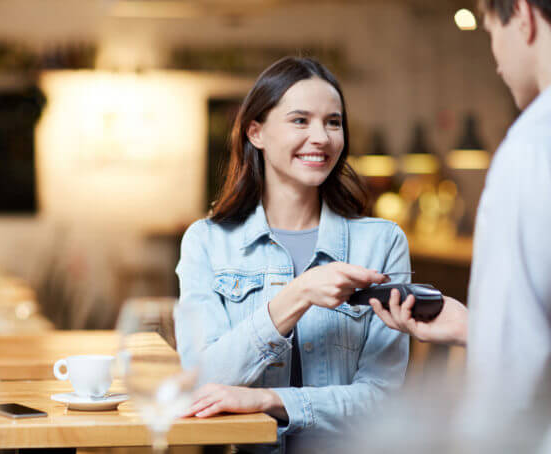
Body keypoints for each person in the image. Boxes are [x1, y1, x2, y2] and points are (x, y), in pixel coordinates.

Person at [174, 57, 410, 454]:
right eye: (300, 121)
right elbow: (200, 381)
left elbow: (381, 400)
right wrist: (296, 295)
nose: (321, 137)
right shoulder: (207, 241)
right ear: (256, 132)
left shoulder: (382, 242)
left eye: (333, 122)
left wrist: (272, 401)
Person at [369, 0, 551, 428]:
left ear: (522, 17)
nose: (496, 58)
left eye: (490, 33)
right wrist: (477, 329)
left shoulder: (531, 151)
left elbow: (509, 384)